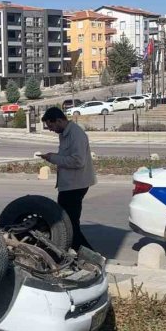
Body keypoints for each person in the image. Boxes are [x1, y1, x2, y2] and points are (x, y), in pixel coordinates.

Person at [40, 107, 97, 252]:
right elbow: (67, 156)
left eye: (51, 125)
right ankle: (77, 253)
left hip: (75, 185)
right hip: (68, 185)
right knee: (67, 224)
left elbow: (78, 161)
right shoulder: (65, 133)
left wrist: (54, 158)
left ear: (59, 120)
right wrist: (53, 156)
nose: (50, 129)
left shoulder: (76, 134)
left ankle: (91, 255)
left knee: (68, 225)